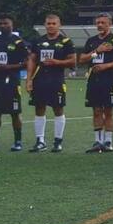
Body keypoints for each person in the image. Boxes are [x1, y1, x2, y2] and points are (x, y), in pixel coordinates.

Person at [25, 13, 76, 153]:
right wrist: (29, 79)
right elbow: (32, 60)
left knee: (58, 109)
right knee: (39, 108)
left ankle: (58, 141)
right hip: (39, 79)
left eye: (54, 23)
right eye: (48, 23)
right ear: (45, 25)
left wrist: (56, 62)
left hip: (56, 79)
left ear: (59, 25)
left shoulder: (66, 42)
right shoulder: (38, 41)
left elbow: (73, 61)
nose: (51, 26)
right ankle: (40, 141)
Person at [81, 14, 113, 153]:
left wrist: (106, 66)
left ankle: (108, 141)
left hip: (109, 80)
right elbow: (82, 59)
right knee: (96, 111)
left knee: (109, 111)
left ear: (109, 24)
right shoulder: (91, 41)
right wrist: (96, 51)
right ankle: (98, 142)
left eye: (103, 22)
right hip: (93, 80)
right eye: (98, 22)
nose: (100, 25)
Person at [0, 15, 27, 152]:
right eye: (0, 23)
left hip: (13, 80)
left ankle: (18, 142)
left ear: (12, 25)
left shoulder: (19, 42)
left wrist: (10, 67)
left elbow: (27, 62)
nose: (2, 25)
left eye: (5, 23)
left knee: (15, 112)